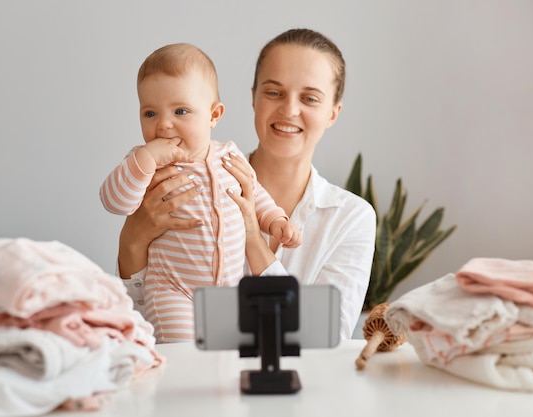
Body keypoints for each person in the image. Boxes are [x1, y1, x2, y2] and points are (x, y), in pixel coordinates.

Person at [117, 28, 377, 340]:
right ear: (253, 97)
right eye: (274, 92)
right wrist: (132, 240)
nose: (289, 110)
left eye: (309, 98)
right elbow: (137, 318)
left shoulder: (350, 218)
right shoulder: (179, 184)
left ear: (333, 112)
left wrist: (254, 239)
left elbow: (323, 338)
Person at [99, 43, 301, 343]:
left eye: (181, 111)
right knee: (183, 355)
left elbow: (255, 195)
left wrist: (275, 221)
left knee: (226, 355)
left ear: (213, 115)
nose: (163, 124)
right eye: (150, 113)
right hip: (173, 289)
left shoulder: (229, 155)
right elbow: (115, 202)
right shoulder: (144, 163)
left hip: (230, 290)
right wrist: (145, 160)